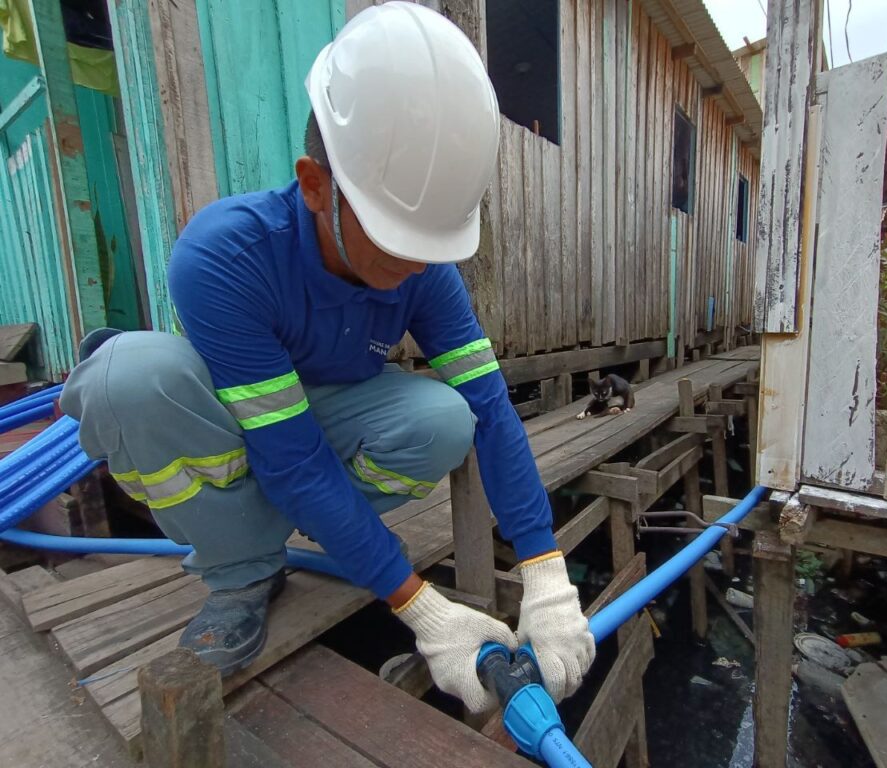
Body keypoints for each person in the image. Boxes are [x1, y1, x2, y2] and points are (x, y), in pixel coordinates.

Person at [59, 2, 594, 714]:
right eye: (391, 234)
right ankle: (242, 569)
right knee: (130, 378)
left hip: (313, 432)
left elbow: (494, 411)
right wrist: (422, 611)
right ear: (315, 185)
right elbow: (290, 457)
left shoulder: (423, 269)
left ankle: (323, 531)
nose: (414, 261)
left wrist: (546, 571)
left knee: (446, 417)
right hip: (247, 433)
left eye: (430, 243)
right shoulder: (223, 257)